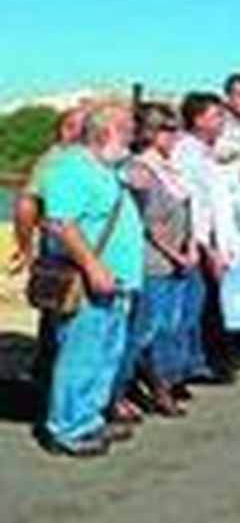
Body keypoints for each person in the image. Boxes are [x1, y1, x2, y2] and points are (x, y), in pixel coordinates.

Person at [36, 103, 144, 457]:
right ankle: (67, 427)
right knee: (81, 354)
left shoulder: (105, 168)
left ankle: (90, 418)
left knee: (104, 354)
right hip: (90, 281)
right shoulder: (70, 168)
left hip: (118, 282)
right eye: (127, 128)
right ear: (106, 131)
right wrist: (93, 266)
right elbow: (60, 223)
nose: (133, 134)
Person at [114, 104, 195, 420]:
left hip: (175, 261)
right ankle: (116, 393)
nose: (176, 136)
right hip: (154, 263)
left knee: (166, 328)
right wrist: (177, 254)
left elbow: (185, 212)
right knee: (143, 331)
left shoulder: (168, 167)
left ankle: (159, 387)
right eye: (169, 129)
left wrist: (188, 247)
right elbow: (150, 222)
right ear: (152, 132)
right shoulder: (140, 169)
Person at [11, 105, 90, 383]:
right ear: (67, 129)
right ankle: (50, 383)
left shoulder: (79, 159)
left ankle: (50, 378)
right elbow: (25, 205)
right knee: (61, 313)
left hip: (69, 244)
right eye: (84, 126)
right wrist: (25, 247)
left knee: (59, 314)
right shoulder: (55, 160)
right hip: (62, 246)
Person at [172, 92, 232, 386]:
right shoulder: (186, 152)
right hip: (194, 242)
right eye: (216, 116)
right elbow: (191, 203)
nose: (222, 121)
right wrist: (205, 246)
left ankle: (194, 362)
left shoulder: (206, 150)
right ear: (197, 120)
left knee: (202, 306)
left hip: (209, 239)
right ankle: (180, 369)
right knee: (189, 309)